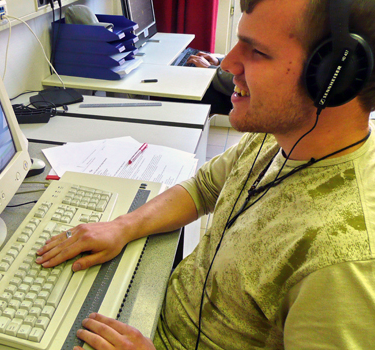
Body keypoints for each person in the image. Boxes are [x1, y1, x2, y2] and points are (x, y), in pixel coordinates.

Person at [37, 0, 375, 348]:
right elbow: (202, 188)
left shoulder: (344, 260)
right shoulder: (275, 138)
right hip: (155, 315)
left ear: (334, 77)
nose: (228, 63)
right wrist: (121, 227)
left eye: (257, 51)